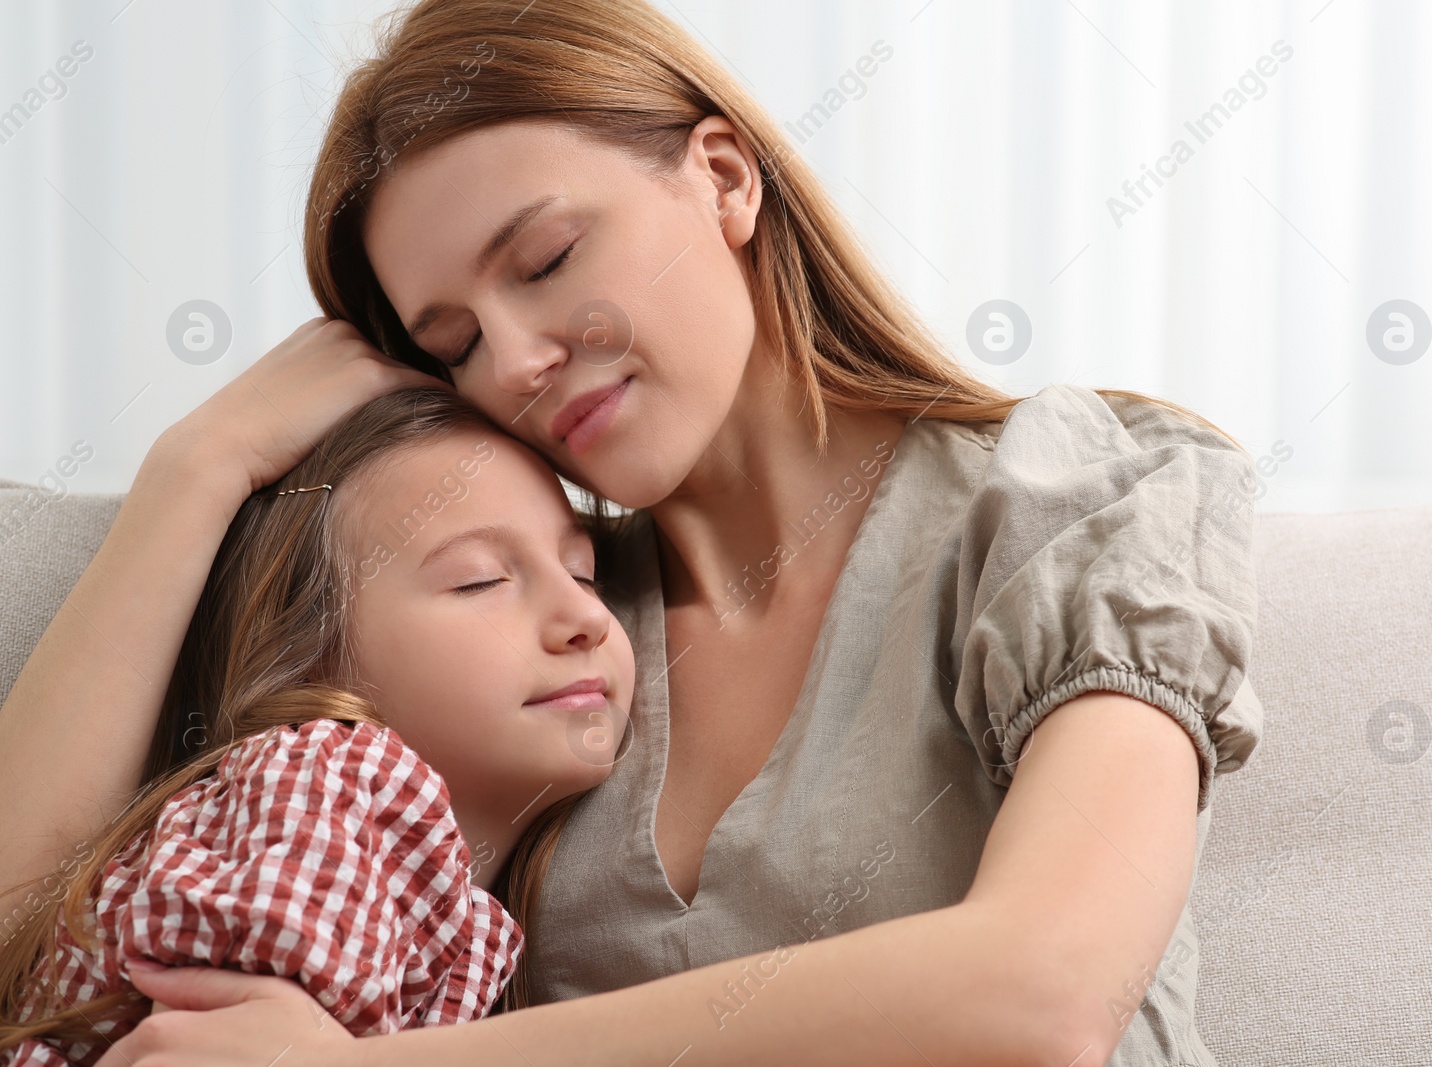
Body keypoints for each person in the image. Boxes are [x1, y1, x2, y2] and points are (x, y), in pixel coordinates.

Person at [0, 0, 1266, 1063]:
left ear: (720, 176)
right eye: (452, 342)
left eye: (546, 258)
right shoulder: (531, 639)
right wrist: (197, 466)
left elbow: (1043, 994)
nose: (519, 359)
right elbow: (25, 924)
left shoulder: (1082, 488)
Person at [0, 388, 635, 1063]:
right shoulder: (325, 781)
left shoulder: (452, 895)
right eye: (478, 581)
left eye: (583, 572)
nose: (586, 617)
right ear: (312, 667)